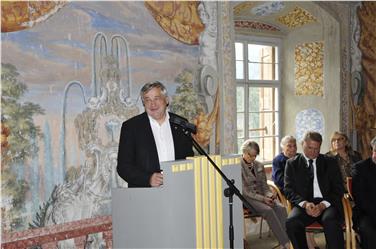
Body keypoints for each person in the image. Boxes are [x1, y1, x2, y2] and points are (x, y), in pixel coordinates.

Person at [117, 81, 194, 187]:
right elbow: (123, 167)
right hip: (145, 195)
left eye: (156, 98)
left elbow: (189, 160)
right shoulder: (131, 127)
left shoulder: (181, 124)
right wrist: (148, 179)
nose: (152, 104)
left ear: (166, 100)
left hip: (178, 189)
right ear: (143, 103)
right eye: (148, 100)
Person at [284, 131, 345, 249]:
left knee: (331, 222)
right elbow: (288, 190)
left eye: (317, 149)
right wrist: (305, 204)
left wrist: (322, 205)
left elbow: (338, 188)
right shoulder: (292, 164)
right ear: (303, 144)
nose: (313, 152)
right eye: (310, 148)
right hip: (304, 204)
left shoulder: (330, 162)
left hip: (327, 203)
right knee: (291, 222)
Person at [241, 140, 290, 249]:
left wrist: (270, 194)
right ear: (244, 152)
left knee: (281, 208)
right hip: (248, 199)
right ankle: (285, 243)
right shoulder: (238, 166)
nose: (253, 158)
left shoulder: (258, 165)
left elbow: (264, 185)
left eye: (255, 155)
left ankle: (289, 239)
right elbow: (245, 192)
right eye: (250, 155)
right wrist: (264, 199)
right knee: (268, 211)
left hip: (262, 197)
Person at [272, 136, 318, 249]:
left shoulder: (300, 158)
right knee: (302, 207)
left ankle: (310, 240)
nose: (292, 149)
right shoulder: (278, 160)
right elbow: (280, 181)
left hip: (302, 192)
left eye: (294, 146)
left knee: (311, 201)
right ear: (282, 147)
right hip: (286, 193)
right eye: (289, 146)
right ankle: (309, 241)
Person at [351, 136, 376, 249]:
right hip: (366, 213)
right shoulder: (360, 168)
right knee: (368, 230)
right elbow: (361, 200)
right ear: (372, 150)